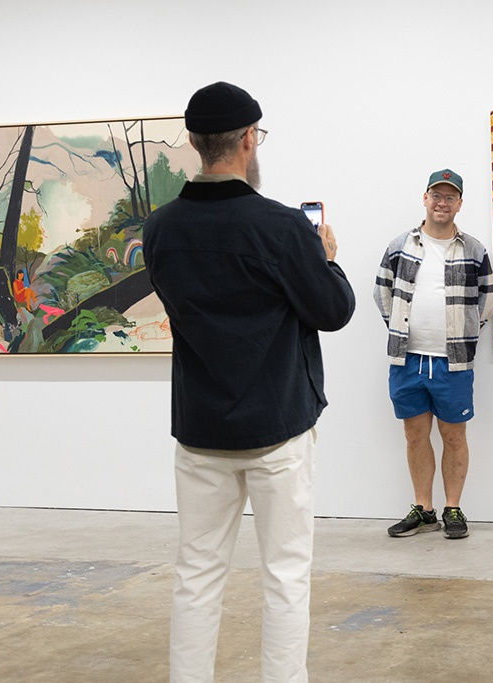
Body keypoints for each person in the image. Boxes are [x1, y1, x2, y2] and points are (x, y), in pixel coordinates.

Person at [143, 81, 356, 681]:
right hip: (277, 430)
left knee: (196, 574)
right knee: (285, 576)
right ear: (247, 140)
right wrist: (327, 258)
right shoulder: (282, 227)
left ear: (192, 142)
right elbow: (333, 311)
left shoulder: (160, 231)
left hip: (201, 429)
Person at [373, 169, 493, 540]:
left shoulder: (474, 250)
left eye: (450, 197)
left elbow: (488, 300)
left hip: (453, 361)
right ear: (424, 198)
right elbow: (382, 293)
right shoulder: (400, 245)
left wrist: (465, 333)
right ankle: (423, 509)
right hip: (407, 358)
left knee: (454, 436)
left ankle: (453, 508)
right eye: (436, 196)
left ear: (459, 204)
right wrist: (398, 328)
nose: (442, 203)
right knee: (414, 435)